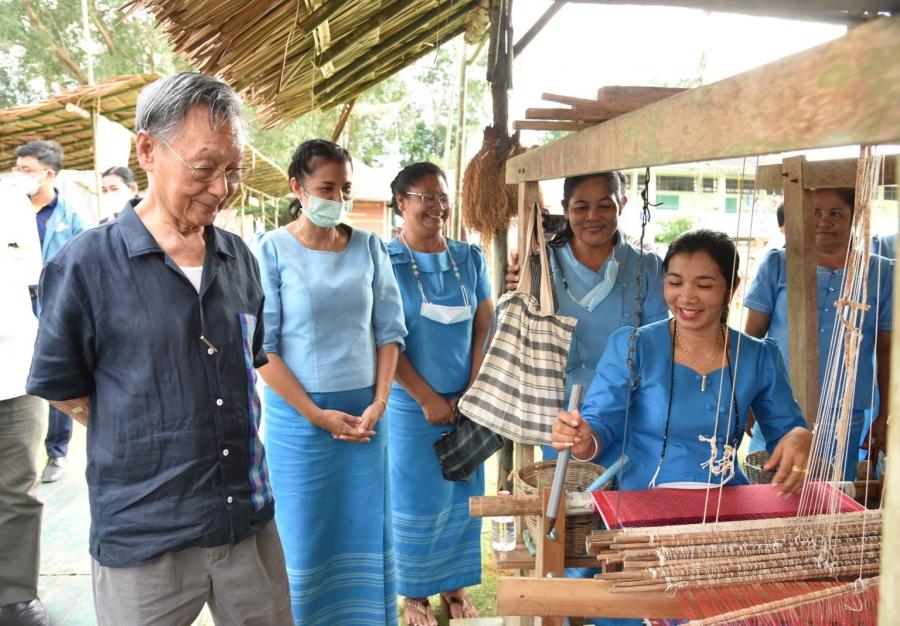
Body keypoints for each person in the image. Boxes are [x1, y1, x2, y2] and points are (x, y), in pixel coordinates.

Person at [26, 72, 292, 625]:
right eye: (205, 167)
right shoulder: (85, 265)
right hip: (145, 533)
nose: (221, 188)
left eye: (233, 170)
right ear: (147, 150)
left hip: (246, 522)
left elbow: (248, 364)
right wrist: (146, 425)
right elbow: (63, 389)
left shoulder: (239, 259)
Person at [550, 229, 811, 626]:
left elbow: (787, 429)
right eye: (674, 282)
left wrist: (799, 437)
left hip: (724, 512)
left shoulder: (758, 356)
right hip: (640, 511)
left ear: (731, 288)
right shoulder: (634, 346)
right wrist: (583, 439)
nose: (686, 297)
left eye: (704, 285)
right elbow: (599, 424)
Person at [252, 139, 407, 626]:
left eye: (345, 188)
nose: (338, 198)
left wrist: (379, 402)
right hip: (300, 424)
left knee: (365, 529)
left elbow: (389, 332)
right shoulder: (270, 249)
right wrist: (316, 415)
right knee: (305, 536)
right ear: (297, 188)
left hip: (365, 421)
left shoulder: (369, 247)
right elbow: (262, 348)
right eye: (326, 188)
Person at [385, 162, 494, 625]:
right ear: (401, 202)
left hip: (467, 401)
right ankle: (414, 593)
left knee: (461, 496)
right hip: (409, 407)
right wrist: (426, 397)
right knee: (414, 498)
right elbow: (383, 337)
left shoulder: (469, 258)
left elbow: (485, 323)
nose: (437, 206)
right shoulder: (384, 260)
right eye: (426, 197)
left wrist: (472, 388)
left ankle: (455, 588)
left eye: (443, 197)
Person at [506, 171, 668, 469]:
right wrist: (519, 285)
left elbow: (658, 348)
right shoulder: (539, 266)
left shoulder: (647, 267)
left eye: (605, 205)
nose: (593, 216)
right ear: (566, 209)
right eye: (581, 207)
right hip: (563, 420)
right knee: (568, 495)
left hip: (630, 416)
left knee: (627, 495)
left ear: (622, 204)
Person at [744, 188, 893, 480]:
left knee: (831, 495)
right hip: (775, 405)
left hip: (843, 415)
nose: (824, 221)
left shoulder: (882, 273)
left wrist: (885, 415)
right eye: (815, 213)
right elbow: (751, 339)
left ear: (855, 218)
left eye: (836, 213)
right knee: (767, 492)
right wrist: (746, 399)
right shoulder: (778, 264)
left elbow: (887, 349)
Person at [13, 139, 86, 483]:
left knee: (55, 373)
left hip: (54, 305)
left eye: (26, 169)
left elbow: (82, 265)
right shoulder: (10, 209)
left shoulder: (71, 218)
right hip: (15, 304)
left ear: (49, 174)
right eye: (16, 168)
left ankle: (56, 452)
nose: (19, 175)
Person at [0, 181, 50, 626]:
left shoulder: (11, 200)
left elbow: (34, 280)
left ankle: (15, 595)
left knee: (17, 491)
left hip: (12, 372)